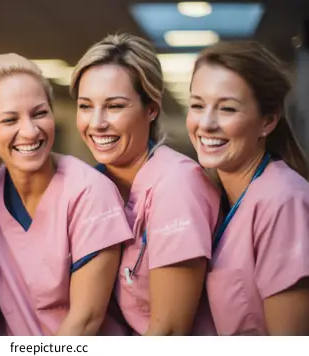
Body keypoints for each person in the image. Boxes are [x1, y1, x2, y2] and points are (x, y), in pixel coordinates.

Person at [187, 40, 309, 335]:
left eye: (227, 108)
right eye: (197, 105)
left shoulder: (286, 205)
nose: (206, 123)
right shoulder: (222, 195)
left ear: (268, 120)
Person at [70, 33, 220, 336]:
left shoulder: (178, 185)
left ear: (151, 109)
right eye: (85, 106)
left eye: (114, 106)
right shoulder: (90, 185)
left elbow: (170, 332)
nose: (96, 122)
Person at [0, 53, 133, 336]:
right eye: (10, 119)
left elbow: (85, 321)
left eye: (39, 113)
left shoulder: (89, 192)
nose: (30, 131)